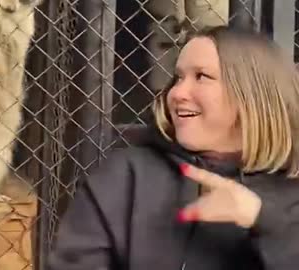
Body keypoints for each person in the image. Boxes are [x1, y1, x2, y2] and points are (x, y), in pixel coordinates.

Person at [45, 25, 299, 270]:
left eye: (202, 76)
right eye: (178, 78)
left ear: (253, 95)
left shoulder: (291, 191)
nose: (177, 93)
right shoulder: (127, 175)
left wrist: (264, 221)